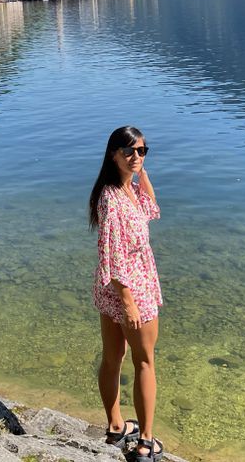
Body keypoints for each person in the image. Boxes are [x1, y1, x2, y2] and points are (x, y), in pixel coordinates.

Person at [90, 126, 165, 462]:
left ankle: (117, 426)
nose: (136, 157)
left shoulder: (128, 190)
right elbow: (110, 252)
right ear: (113, 154)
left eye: (142, 151)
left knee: (114, 358)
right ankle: (146, 442)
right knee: (144, 362)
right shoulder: (110, 198)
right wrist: (128, 300)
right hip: (129, 288)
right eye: (130, 152)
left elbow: (152, 209)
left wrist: (140, 171)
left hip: (114, 288)